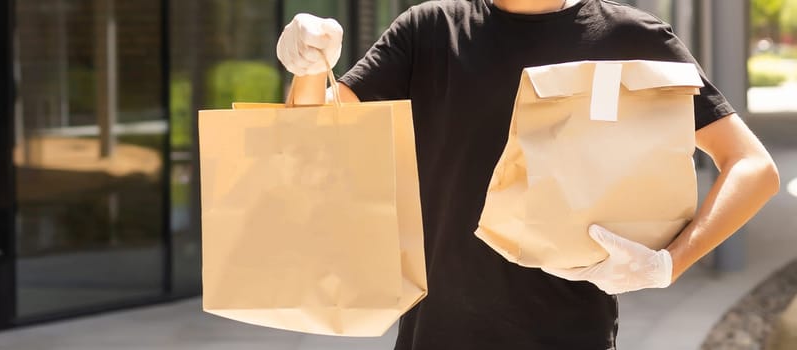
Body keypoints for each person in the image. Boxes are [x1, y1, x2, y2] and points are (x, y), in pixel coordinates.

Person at [276, 0, 781, 349]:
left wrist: (669, 263)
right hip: (436, 336)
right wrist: (307, 65)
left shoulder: (628, 37)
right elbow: (314, 135)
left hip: (570, 337)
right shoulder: (429, 32)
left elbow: (752, 166)